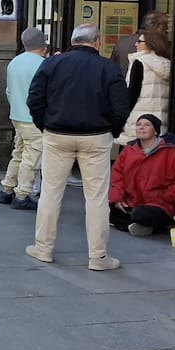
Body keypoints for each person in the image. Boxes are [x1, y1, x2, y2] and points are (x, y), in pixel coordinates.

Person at [26, 23, 131, 270]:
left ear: (73, 41)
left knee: (51, 192)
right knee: (96, 198)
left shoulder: (52, 63)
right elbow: (120, 106)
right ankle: (98, 256)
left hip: (57, 133)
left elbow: (35, 99)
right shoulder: (108, 67)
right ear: (97, 42)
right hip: (96, 136)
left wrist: (45, 125)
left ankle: (43, 248)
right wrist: (113, 131)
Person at [108, 114, 175, 235]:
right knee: (104, 208)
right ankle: (138, 226)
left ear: (156, 131)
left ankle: (132, 224)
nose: (141, 127)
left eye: (147, 125)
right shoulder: (128, 150)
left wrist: (168, 195)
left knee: (140, 214)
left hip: (160, 204)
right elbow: (118, 176)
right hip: (131, 202)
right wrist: (118, 198)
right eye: (138, 124)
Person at [0, 27, 48, 211]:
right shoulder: (43, 64)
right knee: (32, 158)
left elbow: (9, 91)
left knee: (19, 153)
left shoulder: (14, 62)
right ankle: (22, 194)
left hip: (17, 115)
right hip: (34, 118)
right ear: (43, 45)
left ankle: (7, 188)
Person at [118, 28, 172, 146]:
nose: (135, 44)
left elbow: (132, 93)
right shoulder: (166, 64)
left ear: (150, 44)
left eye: (139, 41)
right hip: (159, 117)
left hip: (139, 117)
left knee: (132, 150)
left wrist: (122, 116)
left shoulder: (139, 62)